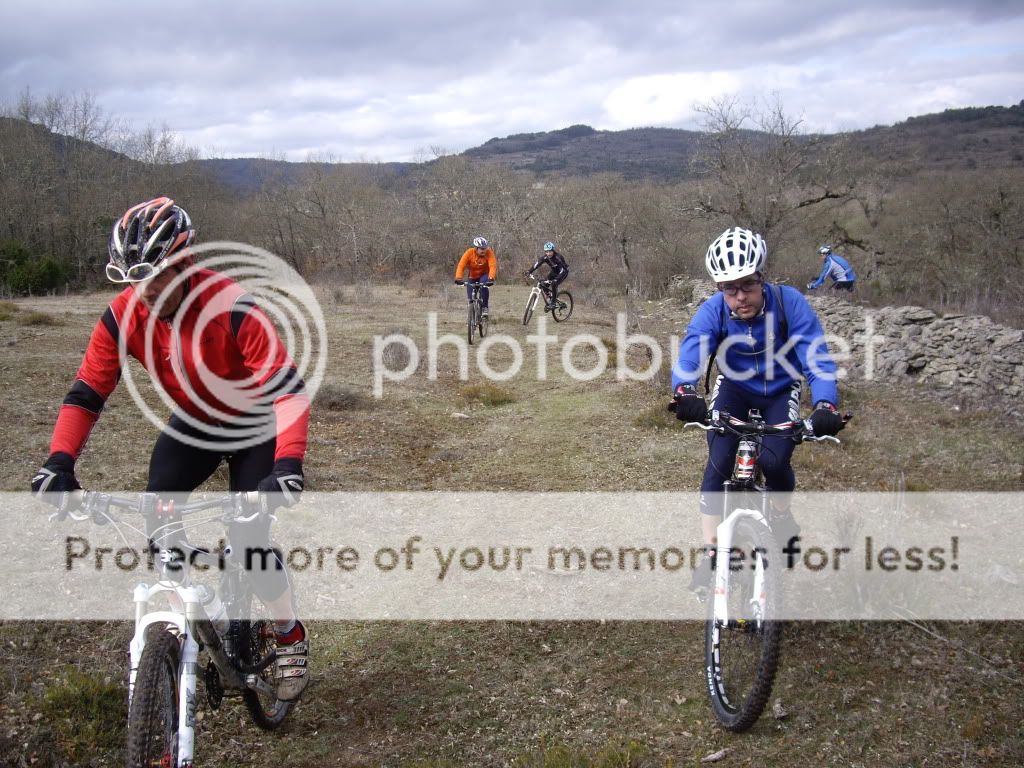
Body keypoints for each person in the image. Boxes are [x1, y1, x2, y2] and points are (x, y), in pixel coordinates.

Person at [30, 197, 311, 702]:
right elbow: (87, 393)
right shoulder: (122, 316)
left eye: (155, 276)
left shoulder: (233, 305)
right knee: (159, 516)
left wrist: (287, 465)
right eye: (133, 279)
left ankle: (289, 634)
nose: (144, 290)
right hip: (194, 425)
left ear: (185, 262)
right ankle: (180, 629)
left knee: (249, 539)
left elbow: (286, 389)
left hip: (255, 426)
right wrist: (59, 462)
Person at [671, 227, 845, 590]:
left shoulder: (788, 302)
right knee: (717, 466)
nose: (739, 296)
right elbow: (693, 350)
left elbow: (816, 358)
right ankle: (711, 554)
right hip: (734, 389)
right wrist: (685, 390)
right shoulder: (714, 310)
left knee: (774, 461)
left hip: (781, 391)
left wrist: (826, 404)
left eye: (747, 285)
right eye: (729, 289)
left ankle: (782, 519)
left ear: (761, 278)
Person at [454, 236, 497, 317]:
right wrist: (458, 278)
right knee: (470, 298)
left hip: (484, 275)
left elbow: (492, 265)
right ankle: (471, 317)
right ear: (476, 248)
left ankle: (484, 307)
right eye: (481, 248)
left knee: (484, 286)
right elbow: (461, 265)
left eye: (485, 248)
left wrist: (491, 278)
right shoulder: (469, 253)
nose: (484, 250)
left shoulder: (489, 253)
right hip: (472, 276)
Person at [524, 241, 569, 309]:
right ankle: (549, 297)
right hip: (554, 272)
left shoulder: (558, 257)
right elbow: (537, 264)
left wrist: (556, 279)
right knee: (544, 284)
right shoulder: (545, 257)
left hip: (563, 272)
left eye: (550, 251)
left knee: (554, 284)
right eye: (546, 252)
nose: (548, 253)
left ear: (553, 250)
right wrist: (529, 271)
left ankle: (553, 303)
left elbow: (562, 270)